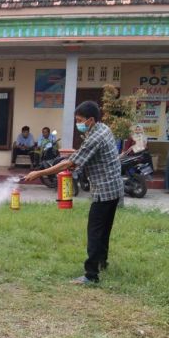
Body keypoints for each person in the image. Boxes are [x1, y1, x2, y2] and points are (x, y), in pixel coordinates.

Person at [23, 101, 123, 285]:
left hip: (104, 189)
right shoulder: (102, 129)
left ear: (91, 120)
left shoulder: (95, 137)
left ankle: (91, 275)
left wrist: (39, 173)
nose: (78, 124)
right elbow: (84, 154)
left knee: (95, 231)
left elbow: (70, 163)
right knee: (104, 230)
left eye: (80, 120)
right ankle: (102, 262)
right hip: (114, 188)